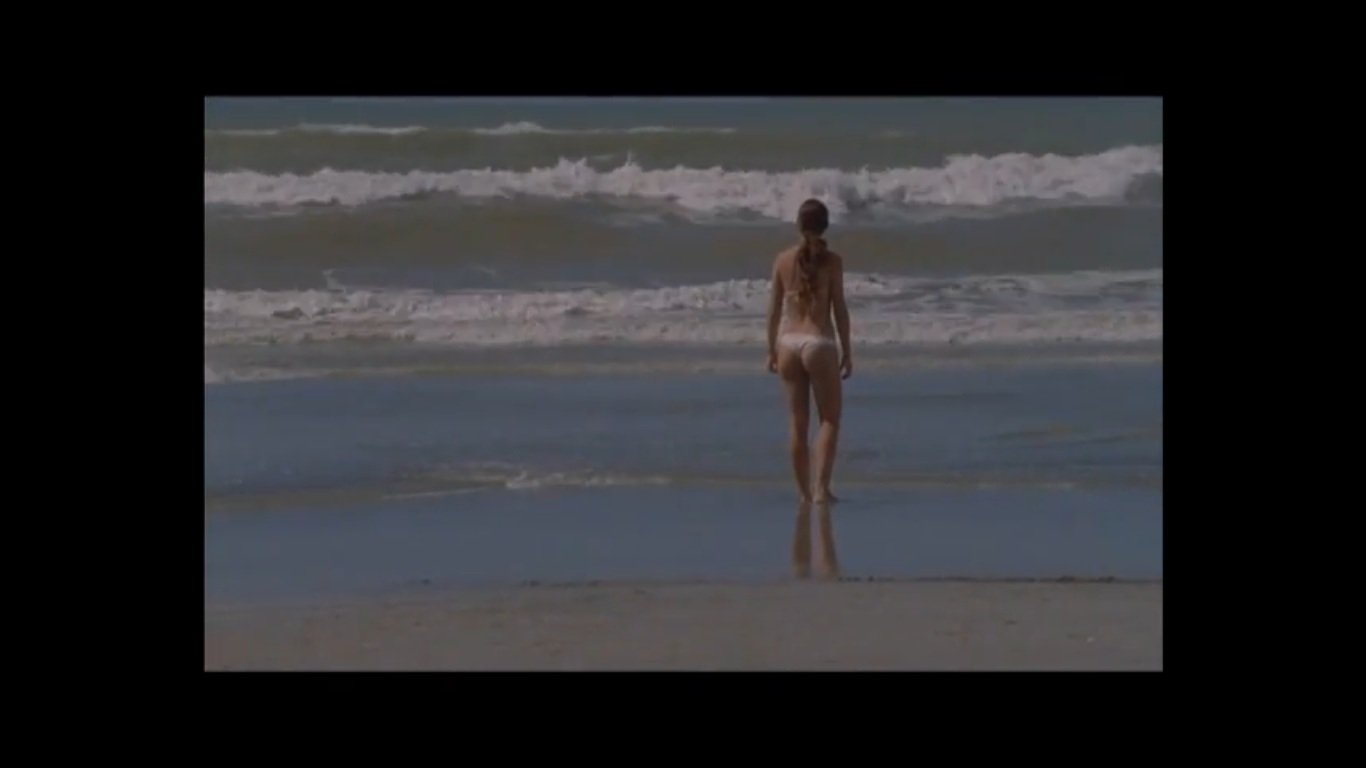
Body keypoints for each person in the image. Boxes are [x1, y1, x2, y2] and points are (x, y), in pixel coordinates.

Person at [766, 199, 852, 504]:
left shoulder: (782, 260)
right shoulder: (833, 262)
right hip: (819, 342)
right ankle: (820, 489)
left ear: (798, 225)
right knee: (829, 419)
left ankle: (803, 493)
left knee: (797, 423)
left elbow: (774, 311)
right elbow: (839, 308)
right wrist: (847, 349)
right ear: (825, 226)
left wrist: (771, 349)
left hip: (788, 343)